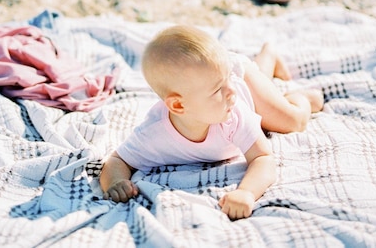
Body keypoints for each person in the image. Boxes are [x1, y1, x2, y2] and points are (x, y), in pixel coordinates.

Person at [100, 25, 324, 220]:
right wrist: (115, 182)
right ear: (178, 106)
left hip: (242, 75)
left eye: (227, 83)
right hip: (231, 77)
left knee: (291, 121)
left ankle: (299, 96)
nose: (231, 90)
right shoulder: (155, 133)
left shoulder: (233, 111)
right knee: (260, 91)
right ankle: (266, 60)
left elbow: (263, 158)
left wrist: (246, 192)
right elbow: (118, 160)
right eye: (218, 90)